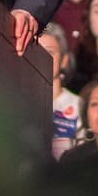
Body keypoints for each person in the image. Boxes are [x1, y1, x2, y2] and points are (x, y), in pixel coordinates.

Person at [39, 22, 81, 160]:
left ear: (64, 60)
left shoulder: (80, 106)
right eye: (36, 50)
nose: (42, 58)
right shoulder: (15, 101)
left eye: (49, 52)